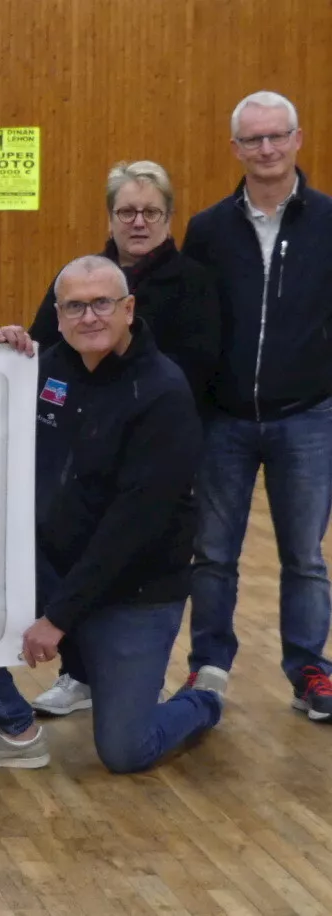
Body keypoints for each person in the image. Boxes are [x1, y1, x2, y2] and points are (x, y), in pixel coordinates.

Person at [0, 256, 223, 772]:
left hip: (134, 590)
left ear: (129, 309)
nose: (89, 317)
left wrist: (57, 619)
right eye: (75, 307)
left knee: (125, 751)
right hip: (54, 569)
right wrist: (1, 359)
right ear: (59, 316)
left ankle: (202, 699)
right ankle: (15, 728)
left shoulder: (162, 393)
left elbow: (131, 531)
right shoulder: (46, 368)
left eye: (102, 303)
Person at [24, 160, 220, 717]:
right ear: (109, 219)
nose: (138, 221)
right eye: (126, 211)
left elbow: (199, 372)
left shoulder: (165, 374)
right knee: (38, 534)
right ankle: (81, 671)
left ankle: (201, 696)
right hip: (86, 467)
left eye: (150, 211)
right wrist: (10, 349)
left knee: (125, 745)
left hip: (151, 460)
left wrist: (123, 400)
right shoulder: (81, 280)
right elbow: (40, 351)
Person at [182, 90, 332, 722]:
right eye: (253, 139)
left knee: (304, 555)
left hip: (309, 416)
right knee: (214, 553)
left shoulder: (329, 221)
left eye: (277, 136)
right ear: (236, 148)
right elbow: (191, 321)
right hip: (225, 420)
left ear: (298, 139)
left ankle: (309, 670)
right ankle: (208, 665)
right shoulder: (208, 229)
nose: (266, 149)